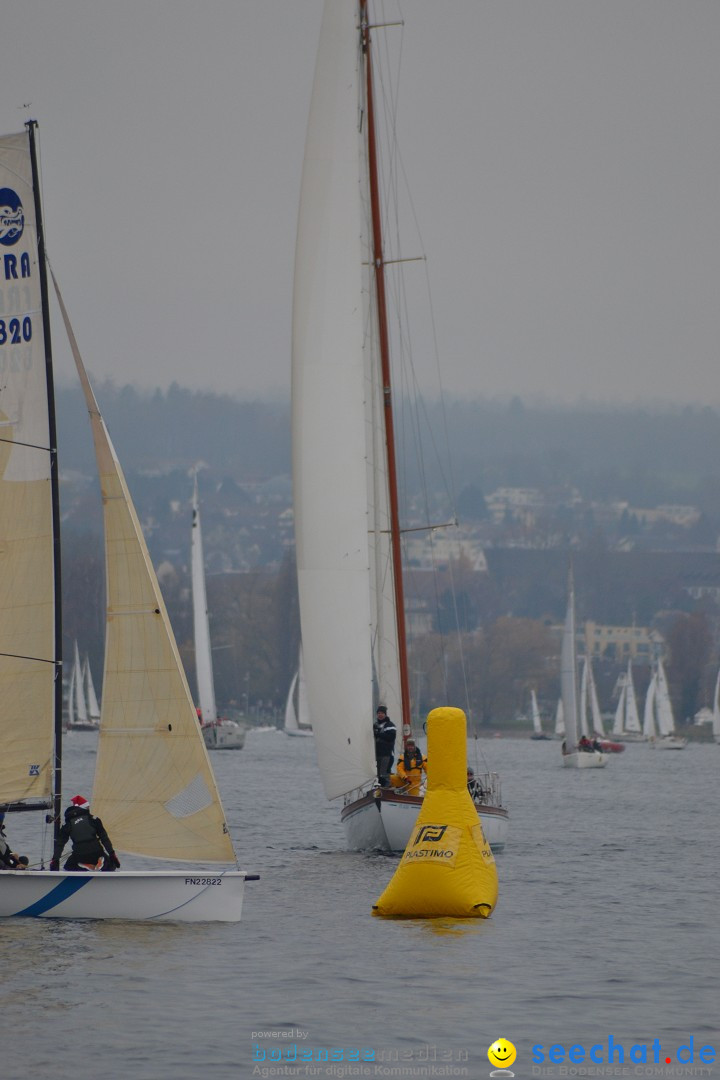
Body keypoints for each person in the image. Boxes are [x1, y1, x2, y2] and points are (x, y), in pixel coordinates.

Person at [50, 795, 120, 872]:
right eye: (88, 807)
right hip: (97, 853)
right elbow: (104, 838)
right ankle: (98, 863)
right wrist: (112, 854)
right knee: (112, 866)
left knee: (68, 867)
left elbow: (60, 844)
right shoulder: (94, 820)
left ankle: (85, 866)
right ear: (83, 808)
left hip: (79, 855)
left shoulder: (68, 825)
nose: (89, 809)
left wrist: (55, 860)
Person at [373, 705, 397, 787]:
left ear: (385, 714)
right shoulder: (375, 725)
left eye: (382, 713)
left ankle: (387, 790)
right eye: (379, 713)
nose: (380, 715)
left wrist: (378, 734)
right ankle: (380, 792)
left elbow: (391, 737)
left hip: (387, 755)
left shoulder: (390, 725)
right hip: (377, 755)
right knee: (378, 775)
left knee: (384, 774)